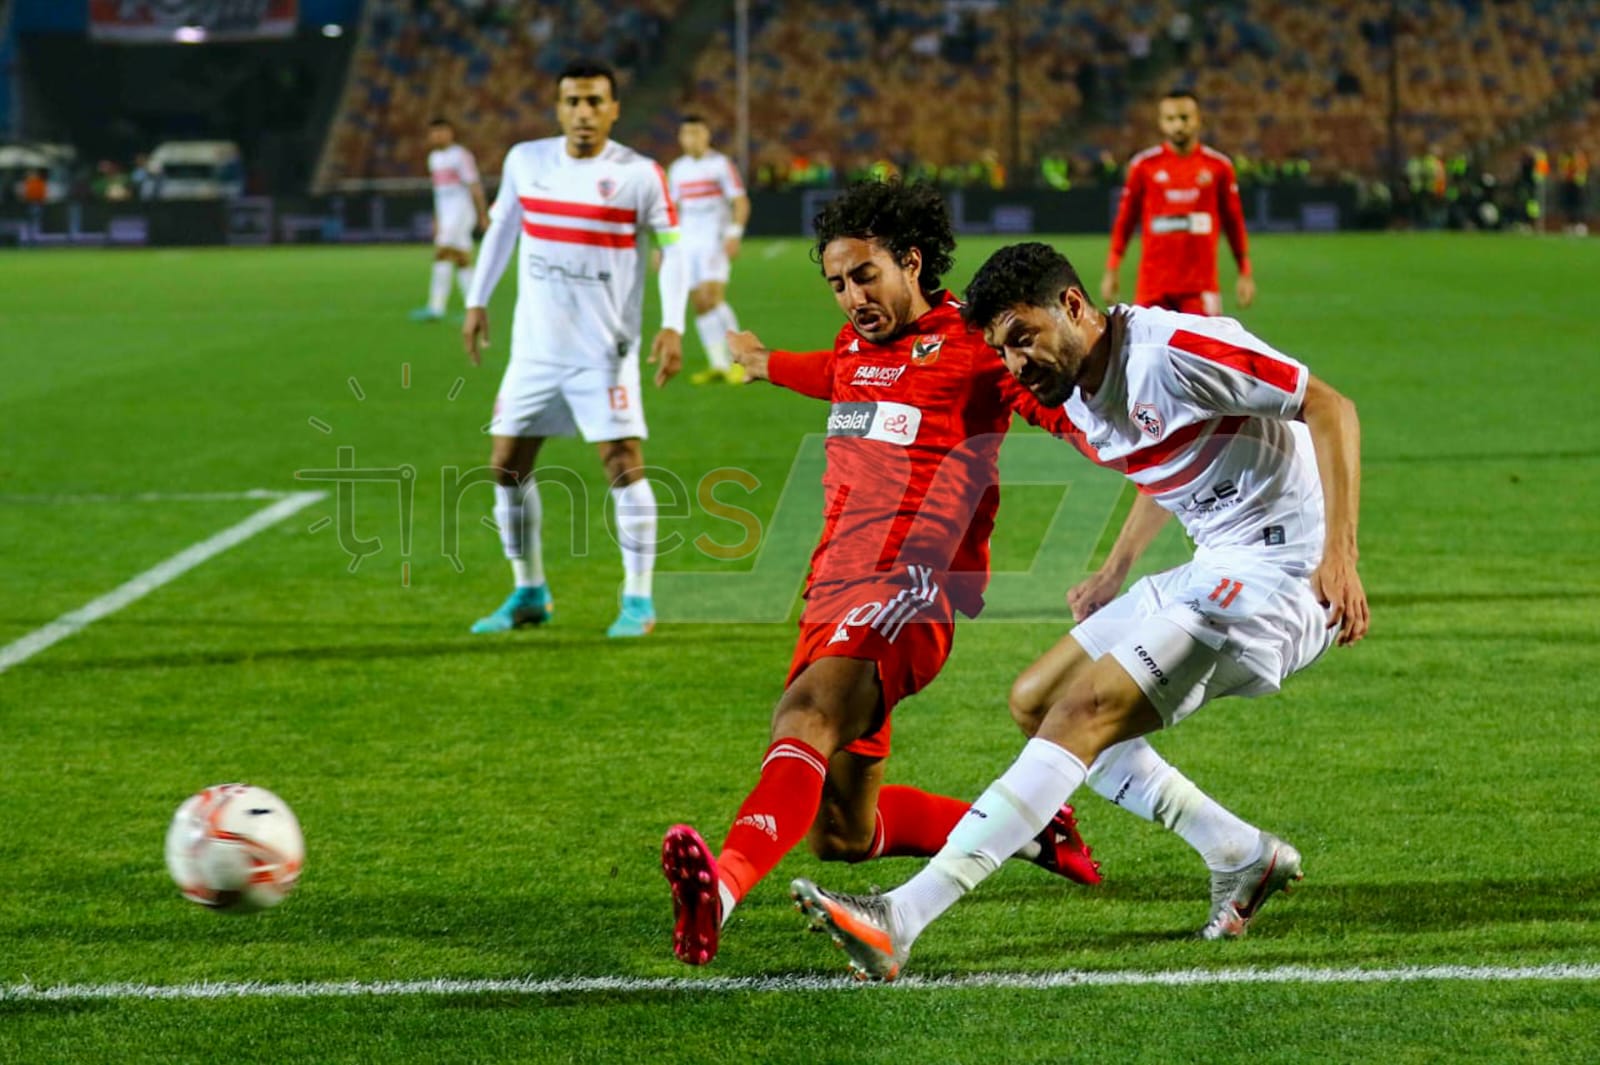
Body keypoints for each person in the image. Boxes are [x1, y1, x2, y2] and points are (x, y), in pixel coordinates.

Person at [660, 184, 1276, 968]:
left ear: (912, 261)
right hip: (828, 590)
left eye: (866, 275)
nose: (852, 297)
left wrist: (1160, 459)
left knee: (805, 715)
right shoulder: (855, 347)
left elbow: (1075, 414)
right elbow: (837, 374)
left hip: (908, 592)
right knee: (841, 831)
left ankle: (717, 891)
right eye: (838, 283)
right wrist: (763, 363)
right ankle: (1038, 831)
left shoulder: (978, 348)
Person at [792, 242, 1368, 981]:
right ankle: (1238, 851)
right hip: (1215, 563)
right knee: (1036, 701)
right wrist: (1117, 568)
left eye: (1023, 336)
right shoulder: (1073, 392)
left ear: (1071, 305)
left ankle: (900, 917)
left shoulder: (1173, 350)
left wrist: (1339, 555)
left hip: (1283, 574)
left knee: (1083, 710)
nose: (1017, 363)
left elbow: (1329, 405)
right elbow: (1167, 459)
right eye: (1003, 350)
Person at [461, 60, 686, 638]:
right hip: (535, 350)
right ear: (558, 108)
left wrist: (673, 324)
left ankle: (638, 600)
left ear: (613, 109)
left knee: (622, 463)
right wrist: (476, 299)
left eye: (594, 101)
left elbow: (673, 249)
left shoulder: (640, 174)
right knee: (506, 465)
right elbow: (502, 229)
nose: (583, 113)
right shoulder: (526, 161)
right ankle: (529, 591)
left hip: (603, 351)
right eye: (573, 102)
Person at [1102, 91, 1254, 317]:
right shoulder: (1144, 166)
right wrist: (1112, 268)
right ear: (1161, 122)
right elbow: (1125, 221)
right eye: (1170, 119)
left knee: (1205, 342)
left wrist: (1245, 271)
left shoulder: (1218, 166)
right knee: (1145, 340)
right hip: (1152, 288)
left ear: (1198, 119)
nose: (1178, 125)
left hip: (1200, 289)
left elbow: (1234, 222)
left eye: (1184, 118)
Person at [665, 114, 751, 384]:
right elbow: (672, 209)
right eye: (686, 134)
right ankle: (718, 365)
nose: (691, 139)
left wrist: (734, 233)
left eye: (696, 133)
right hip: (687, 243)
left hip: (714, 240)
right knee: (700, 304)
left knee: (711, 297)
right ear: (680, 138)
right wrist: (665, 246)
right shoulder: (677, 169)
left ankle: (742, 360)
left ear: (706, 135)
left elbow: (740, 201)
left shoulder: (720, 165)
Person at [413, 117, 489, 322]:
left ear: (450, 133)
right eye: (434, 132)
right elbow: (438, 193)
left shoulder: (460, 155)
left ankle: (436, 308)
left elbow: (474, 185)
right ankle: (474, 306)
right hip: (446, 215)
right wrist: (437, 218)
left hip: (461, 212)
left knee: (442, 254)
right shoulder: (434, 159)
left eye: (442, 131)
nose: (438, 136)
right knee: (462, 260)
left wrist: (482, 214)